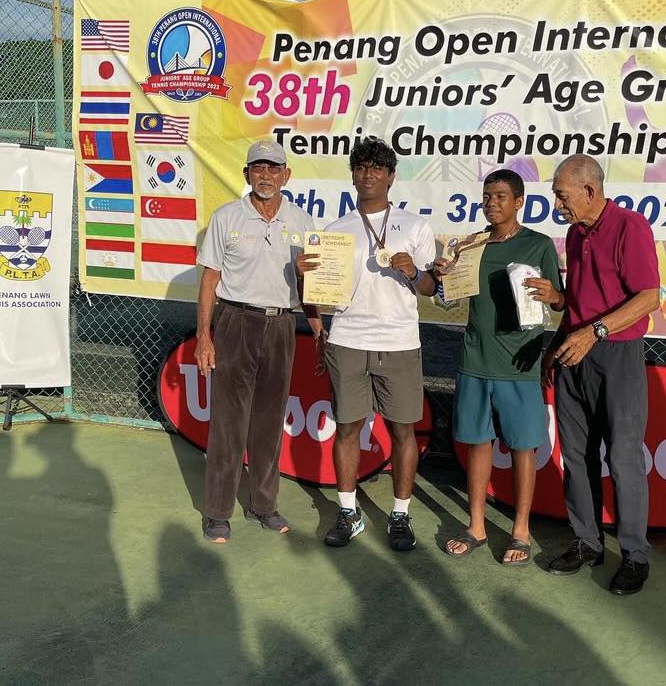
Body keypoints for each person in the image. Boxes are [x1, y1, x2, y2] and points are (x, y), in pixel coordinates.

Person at [298, 136, 437, 551]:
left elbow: (432, 288)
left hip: (399, 341)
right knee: (347, 428)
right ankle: (348, 512)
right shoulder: (335, 232)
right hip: (348, 338)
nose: (368, 174)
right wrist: (307, 276)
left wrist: (414, 273)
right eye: (361, 168)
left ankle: (400, 515)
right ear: (353, 176)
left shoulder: (416, 226)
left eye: (377, 168)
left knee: (403, 430)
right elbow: (320, 294)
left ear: (391, 176)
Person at [195, 139, 323, 543]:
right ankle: (218, 512)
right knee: (228, 423)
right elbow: (210, 280)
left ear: (287, 175)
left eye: (273, 168)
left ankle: (263, 505)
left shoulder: (302, 221)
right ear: (246, 174)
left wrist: (317, 326)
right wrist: (204, 336)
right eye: (258, 168)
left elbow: (312, 283)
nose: (265, 175)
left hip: (282, 325)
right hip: (236, 322)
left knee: (269, 421)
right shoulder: (226, 217)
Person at [544, 153, 660, 595]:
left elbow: (649, 297)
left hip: (618, 355)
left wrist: (594, 333)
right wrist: (555, 348)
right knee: (575, 454)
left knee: (624, 456)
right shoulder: (575, 234)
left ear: (589, 191)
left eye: (562, 195)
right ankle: (587, 542)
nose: (558, 204)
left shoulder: (631, 226)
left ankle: (635, 555)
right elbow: (576, 300)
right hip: (574, 352)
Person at [437, 169, 564, 565]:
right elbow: (447, 298)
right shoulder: (471, 245)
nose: (492, 203)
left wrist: (553, 294)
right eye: (487, 196)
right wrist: (444, 277)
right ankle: (476, 526)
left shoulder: (539, 244)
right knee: (478, 444)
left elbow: (561, 301)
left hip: (520, 363)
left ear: (519, 202)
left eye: (501, 197)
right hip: (476, 360)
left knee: (524, 448)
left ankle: (520, 531)